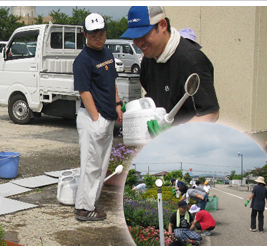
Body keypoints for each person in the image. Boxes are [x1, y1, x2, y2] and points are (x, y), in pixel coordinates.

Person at [121, 6, 220, 125]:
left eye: (144, 34)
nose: (139, 43)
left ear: (162, 25)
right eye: (135, 37)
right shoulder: (148, 59)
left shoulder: (191, 61)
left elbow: (210, 113)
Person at [73, 13, 123, 221]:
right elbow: (84, 92)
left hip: (107, 116)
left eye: (101, 32)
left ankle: (90, 202)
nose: (98, 37)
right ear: (85, 34)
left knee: (100, 166)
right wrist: (97, 120)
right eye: (93, 33)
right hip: (93, 119)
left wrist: (118, 105)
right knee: (91, 166)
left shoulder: (107, 54)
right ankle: (84, 208)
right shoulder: (82, 60)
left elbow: (111, 83)